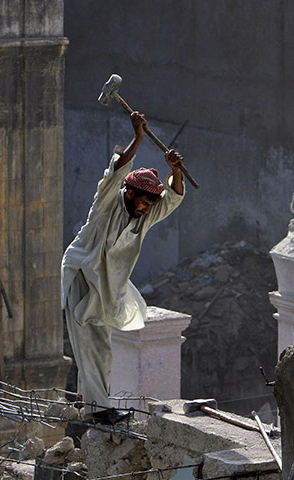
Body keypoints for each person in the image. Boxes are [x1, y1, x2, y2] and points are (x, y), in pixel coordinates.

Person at [61, 111, 185, 425]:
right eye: (142, 201)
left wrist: (176, 171)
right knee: (92, 343)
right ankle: (98, 410)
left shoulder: (146, 215)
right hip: (80, 274)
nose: (146, 208)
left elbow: (172, 198)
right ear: (130, 193)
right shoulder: (107, 200)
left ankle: (85, 401)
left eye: (149, 204)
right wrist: (138, 137)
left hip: (105, 285)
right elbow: (116, 169)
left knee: (98, 343)